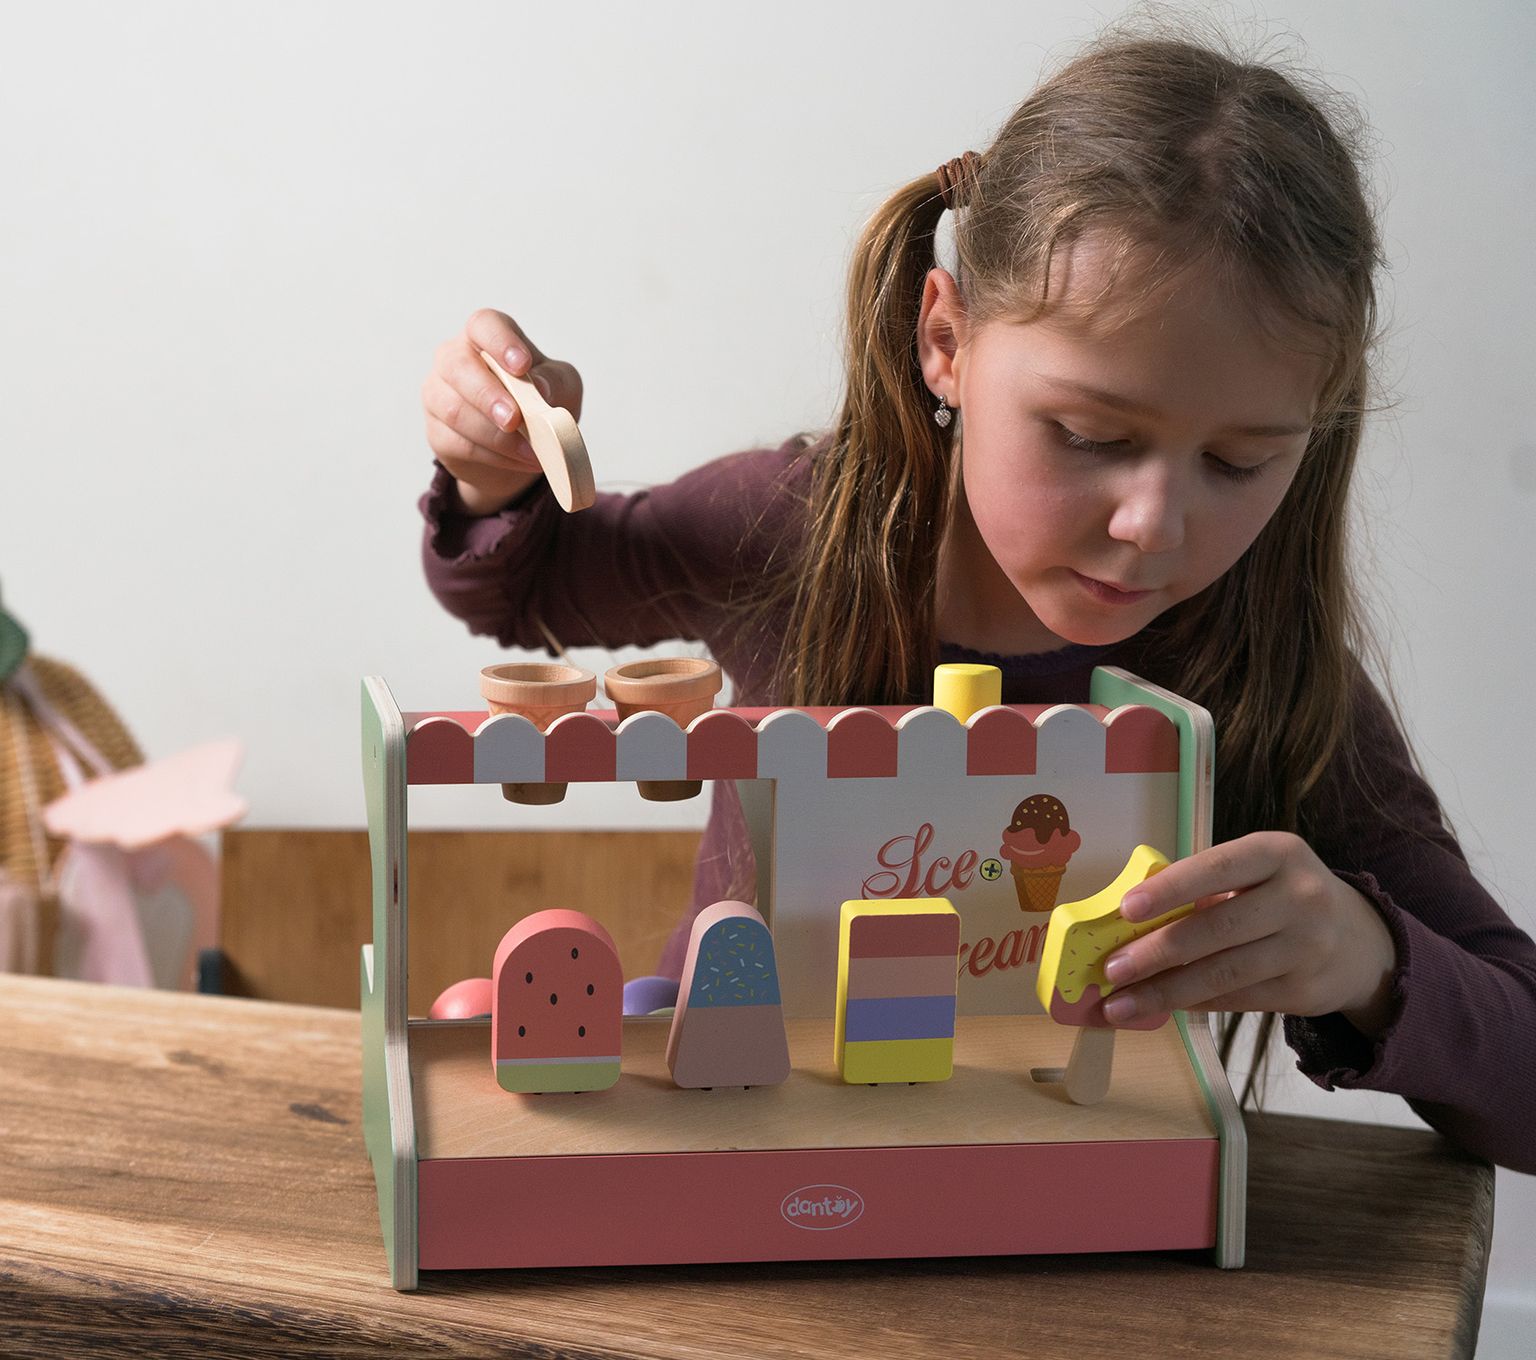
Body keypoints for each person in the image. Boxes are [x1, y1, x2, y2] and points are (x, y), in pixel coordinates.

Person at [415, 27, 1536, 1173]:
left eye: (1238, 462)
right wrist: (492, 469)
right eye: (1091, 434)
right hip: (733, 1165)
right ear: (946, 340)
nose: (1154, 523)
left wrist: (1369, 960)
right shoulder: (795, 530)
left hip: (1061, 1221)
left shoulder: (1269, 674)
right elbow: (526, 589)